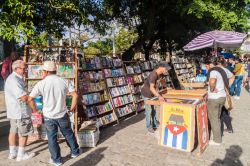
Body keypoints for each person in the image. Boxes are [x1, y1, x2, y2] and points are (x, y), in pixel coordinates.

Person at [28, 61, 80, 165]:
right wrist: (71, 108)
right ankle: (75, 152)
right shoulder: (64, 81)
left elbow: (30, 99)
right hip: (62, 113)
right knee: (68, 133)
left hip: (48, 116)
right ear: (55, 70)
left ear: (45, 71)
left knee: (51, 138)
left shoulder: (41, 83)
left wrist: (36, 111)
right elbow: (75, 95)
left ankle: (57, 160)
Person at [5, 60, 35, 161]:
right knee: (24, 133)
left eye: (25, 67)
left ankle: (12, 152)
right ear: (16, 69)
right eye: (23, 68)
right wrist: (35, 108)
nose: (25, 70)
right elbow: (24, 97)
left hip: (14, 110)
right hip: (20, 111)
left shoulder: (16, 78)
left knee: (13, 131)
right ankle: (21, 154)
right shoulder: (14, 80)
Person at [205, 58, 234, 145]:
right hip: (222, 96)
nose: (207, 68)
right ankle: (218, 134)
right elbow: (232, 77)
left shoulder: (213, 71)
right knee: (217, 117)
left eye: (207, 65)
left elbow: (213, 81)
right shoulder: (224, 69)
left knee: (214, 119)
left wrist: (212, 88)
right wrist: (227, 86)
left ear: (210, 64)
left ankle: (217, 140)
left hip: (214, 98)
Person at [141, 62, 171, 133]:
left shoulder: (161, 74)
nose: (166, 70)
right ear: (161, 67)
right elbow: (151, 88)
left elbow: (163, 81)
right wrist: (159, 96)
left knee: (153, 110)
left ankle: (155, 123)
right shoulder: (153, 75)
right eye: (166, 69)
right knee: (149, 111)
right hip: (147, 94)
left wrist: (166, 87)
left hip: (152, 94)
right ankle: (149, 126)